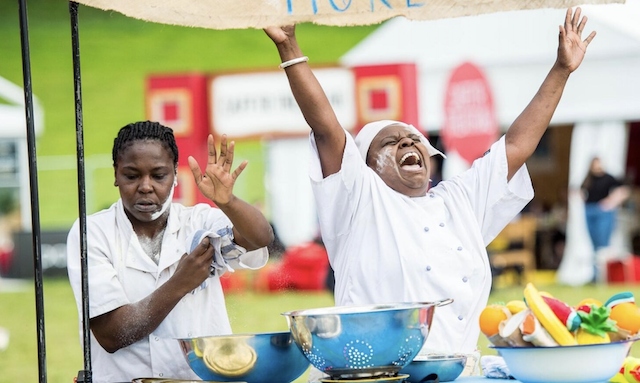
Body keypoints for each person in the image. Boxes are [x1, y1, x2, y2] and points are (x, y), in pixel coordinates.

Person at [264, 5, 595, 369]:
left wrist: (561, 70)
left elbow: (515, 145)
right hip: (376, 372)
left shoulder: (459, 200)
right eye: (391, 143)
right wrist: (290, 50)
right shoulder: (360, 200)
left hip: (458, 371)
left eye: (414, 139)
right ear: (365, 167)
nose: (408, 144)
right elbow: (327, 128)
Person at [66, 121, 273, 383]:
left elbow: (260, 238)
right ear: (116, 175)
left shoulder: (198, 221)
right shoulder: (92, 232)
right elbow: (112, 334)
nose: (145, 186)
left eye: (158, 175)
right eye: (131, 175)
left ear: (175, 174)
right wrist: (180, 283)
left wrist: (228, 202)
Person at [580, 156, 631, 279]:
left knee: (603, 244)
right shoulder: (588, 179)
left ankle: (603, 276)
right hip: (590, 210)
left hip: (603, 212)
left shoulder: (609, 178)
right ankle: (595, 275)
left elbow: (624, 190)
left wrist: (610, 202)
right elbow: (581, 191)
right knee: (594, 244)